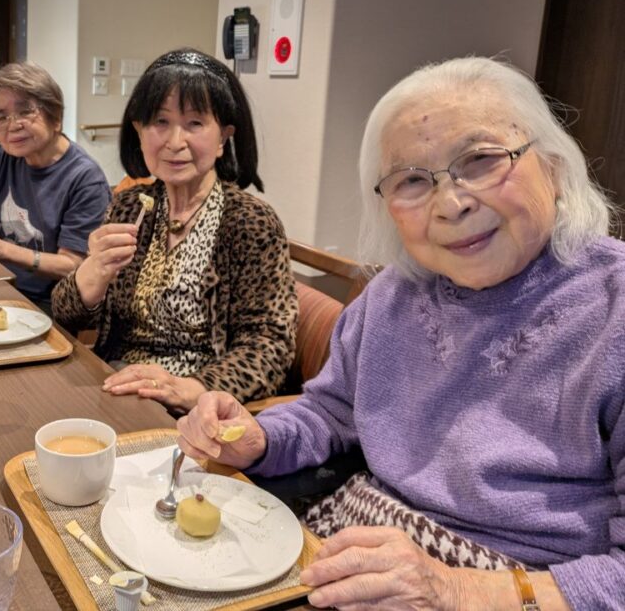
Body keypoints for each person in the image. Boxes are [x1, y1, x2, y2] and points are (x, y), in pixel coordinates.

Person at [178, 56, 625, 610]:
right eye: (413, 180)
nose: (452, 204)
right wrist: (262, 438)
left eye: (482, 160)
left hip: (516, 587)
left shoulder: (614, 310)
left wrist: (454, 588)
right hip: (354, 547)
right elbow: (332, 411)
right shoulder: (393, 294)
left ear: (555, 166)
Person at [50, 50, 297, 412]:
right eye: (160, 122)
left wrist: (193, 388)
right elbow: (67, 315)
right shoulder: (129, 206)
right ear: (139, 130)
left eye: (195, 123)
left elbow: (270, 343)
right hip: (114, 383)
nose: (174, 141)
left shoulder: (249, 221)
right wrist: (92, 276)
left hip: (193, 408)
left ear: (223, 137)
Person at [0, 62, 111, 310]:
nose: (12, 124)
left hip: (45, 305)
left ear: (55, 118)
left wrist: (1, 248)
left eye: (25, 112)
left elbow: (72, 265)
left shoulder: (85, 179)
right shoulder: (3, 157)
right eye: (2, 116)